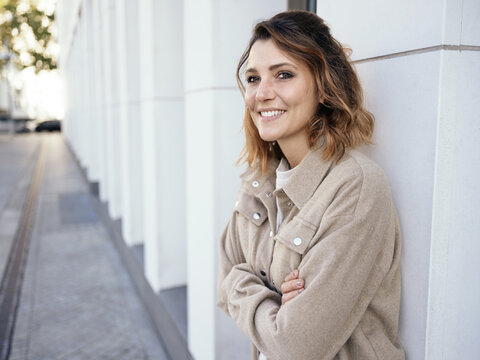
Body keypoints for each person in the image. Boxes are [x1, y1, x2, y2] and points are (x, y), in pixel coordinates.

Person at [217, 10, 405, 360]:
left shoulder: (355, 187)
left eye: (283, 75)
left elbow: (295, 346)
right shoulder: (259, 179)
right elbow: (224, 278)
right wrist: (276, 300)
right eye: (253, 78)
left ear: (323, 86)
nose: (262, 93)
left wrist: (248, 286)